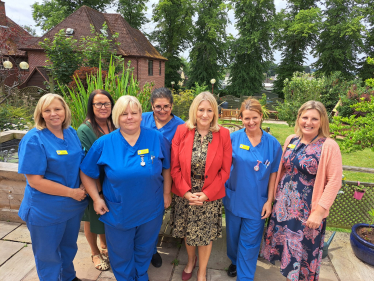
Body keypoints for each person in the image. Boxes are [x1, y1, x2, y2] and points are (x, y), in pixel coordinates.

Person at [80, 95, 172, 281]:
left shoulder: (156, 138)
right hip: (119, 210)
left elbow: (167, 168)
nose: (129, 117)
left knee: (145, 248)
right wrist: (97, 199)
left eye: (134, 113)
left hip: (151, 208)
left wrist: (166, 193)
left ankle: (141, 274)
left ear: (141, 115)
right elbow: (86, 173)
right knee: (120, 253)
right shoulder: (104, 143)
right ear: (116, 117)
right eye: (124, 114)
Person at [262, 100, 343, 281]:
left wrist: (319, 212)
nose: (308, 122)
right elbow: (283, 169)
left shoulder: (329, 146)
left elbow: (335, 181)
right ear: (299, 118)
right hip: (283, 210)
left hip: (307, 214)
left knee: (302, 260)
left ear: (322, 121)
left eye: (314, 118)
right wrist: (273, 199)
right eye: (305, 117)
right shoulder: (292, 140)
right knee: (286, 257)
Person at [18, 93, 88, 281]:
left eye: (57, 109)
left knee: (68, 247)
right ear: (40, 113)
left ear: (65, 110)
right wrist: (72, 192)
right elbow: (35, 181)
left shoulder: (71, 132)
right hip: (46, 209)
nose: (53, 114)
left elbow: (78, 162)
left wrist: (83, 185)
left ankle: (69, 277)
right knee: (48, 255)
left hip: (71, 207)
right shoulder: (34, 139)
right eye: (47, 110)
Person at [170, 91, 232, 281]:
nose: (205, 115)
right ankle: (190, 261)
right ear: (194, 111)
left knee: (205, 236)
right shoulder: (182, 131)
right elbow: (175, 167)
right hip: (185, 192)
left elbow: (225, 171)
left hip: (210, 195)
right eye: (201, 109)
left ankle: (202, 270)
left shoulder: (223, 134)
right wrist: (186, 193)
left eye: (209, 110)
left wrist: (206, 194)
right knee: (189, 232)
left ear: (215, 113)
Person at [224, 98, 282, 280]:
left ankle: (245, 276)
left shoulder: (273, 144)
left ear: (261, 117)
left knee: (250, 244)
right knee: (233, 239)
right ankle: (234, 261)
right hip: (234, 198)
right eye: (246, 118)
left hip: (258, 203)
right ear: (240, 118)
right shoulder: (233, 138)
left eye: (254, 118)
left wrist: (269, 201)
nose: (251, 122)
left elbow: (274, 174)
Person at [141, 87, 184, 268]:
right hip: (142, 176)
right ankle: (145, 249)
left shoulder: (180, 126)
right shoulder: (143, 119)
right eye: (158, 106)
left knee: (157, 215)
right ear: (152, 106)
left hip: (165, 177)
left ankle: (151, 248)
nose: (162, 110)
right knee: (141, 213)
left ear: (171, 106)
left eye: (166, 106)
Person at [77, 89, 116, 271]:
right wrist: (97, 193)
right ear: (91, 107)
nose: (103, 107)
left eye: (106, 103)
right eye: (98, 104)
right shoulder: (85, 129)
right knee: (91, 218)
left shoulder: (115, 124)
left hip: (112, 182)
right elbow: (88, 164)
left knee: (106, 217)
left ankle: (106, 245)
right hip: (93, 181)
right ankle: (94, 252)